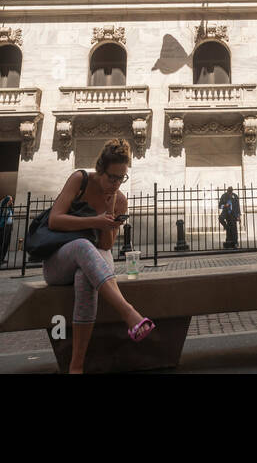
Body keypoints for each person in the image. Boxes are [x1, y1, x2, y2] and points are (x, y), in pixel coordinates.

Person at [42, 139, 153, 373]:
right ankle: (128, 313)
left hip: (92, 265)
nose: (115, 183)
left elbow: (105, 244)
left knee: (85, 279)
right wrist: (94, 220)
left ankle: (76, 366)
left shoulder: (119, 199)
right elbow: (55, 219)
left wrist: (110, 208)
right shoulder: (80, 180)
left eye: (121, 178)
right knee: (83, 245)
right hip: (59, 263)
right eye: (112, 177)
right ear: (100, 169)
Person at [0, 194, 14, 267]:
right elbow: (2, 203)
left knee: (6, 243)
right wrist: (7, 201)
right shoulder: (4, 208)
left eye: (11, 200)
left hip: (8, 227)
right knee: (1, 243)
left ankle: (2, 258)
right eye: (10, 200)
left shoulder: (10, 209)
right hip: (3, 227)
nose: (11, 201)